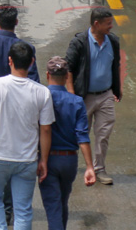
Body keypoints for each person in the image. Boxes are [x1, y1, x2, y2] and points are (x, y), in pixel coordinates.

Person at [0, 42, 54, 230]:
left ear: (10, 61)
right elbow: (46, 130)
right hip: (26, 160)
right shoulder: (43, 93)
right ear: (32, 62)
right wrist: (44, 160)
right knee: (23, 209)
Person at [64, 7, 121, 185]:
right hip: (83, 97)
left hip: (105, 96)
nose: (111, 26)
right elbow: (68, 69)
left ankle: (99, 169)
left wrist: (117, 90)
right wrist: (72, 95)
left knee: (103, 134)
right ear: (96, 24)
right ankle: (69, 167)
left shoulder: (113, 41)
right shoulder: (80, 42)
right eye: (108, 23)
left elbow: (116, 65)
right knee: (79, 133)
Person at [39, 56, 96, 228]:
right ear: (67, 77)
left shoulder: (41, 98)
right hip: (69, 161)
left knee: (53, 207)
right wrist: (89, 167)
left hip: (47, 160)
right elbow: (83, 136)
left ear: (48, 75)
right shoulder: (77, 102)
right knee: (62, 203)